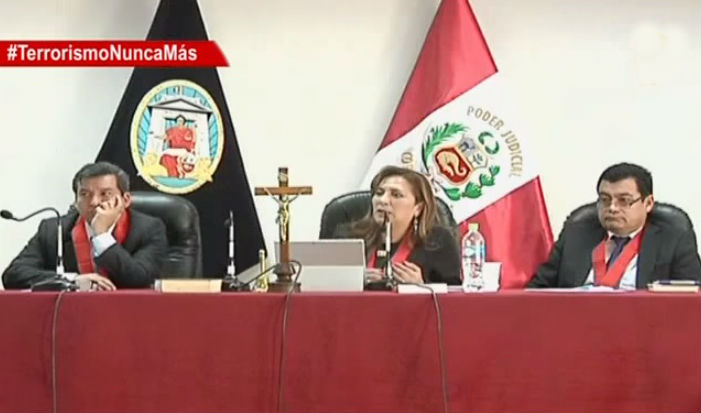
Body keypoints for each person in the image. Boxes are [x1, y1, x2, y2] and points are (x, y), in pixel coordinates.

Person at [528, 162, 701, 289]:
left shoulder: (673, 238)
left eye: (624, 200)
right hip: (577, 322)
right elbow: (538, 290)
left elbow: (691, 300)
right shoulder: (577, 232)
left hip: (644, 325)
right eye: (605, 199)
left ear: (648, 203)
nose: (612, 208)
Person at [2, 162, 167, 290]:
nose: (94, 202)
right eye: (85, 194)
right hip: (70, 315)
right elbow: (13, 275)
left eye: (105, 194)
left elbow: (139, 279)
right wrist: (71, 281)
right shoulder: (54, 229)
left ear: (125, 200)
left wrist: (102, 236)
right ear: (76, 201)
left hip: (126, 314)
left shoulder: (148, 229)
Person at [336, 165, 461, 286]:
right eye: (379, 193)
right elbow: (329, 285)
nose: (383, 200)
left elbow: (454, 295)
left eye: (396, 195)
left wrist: (422, 286)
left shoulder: (438, 242)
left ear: (418, 208)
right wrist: (354, 282)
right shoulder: (347, 237)